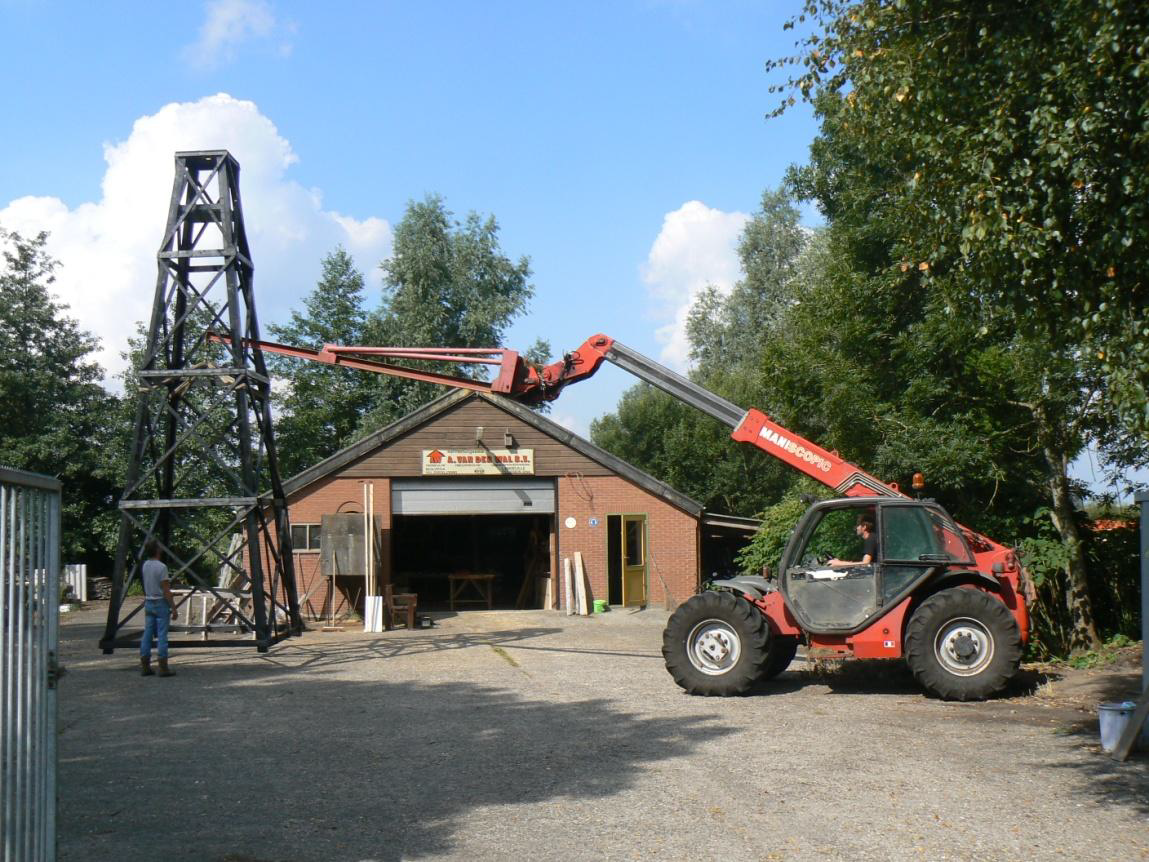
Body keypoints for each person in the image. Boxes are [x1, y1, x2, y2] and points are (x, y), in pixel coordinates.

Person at [139, 539, 178, 677]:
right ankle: (163, 667)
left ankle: (145, 665)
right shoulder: (161, 567)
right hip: (160, 603)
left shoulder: (145, 565)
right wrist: (174, 608)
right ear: (157, 550)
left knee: (147, 635)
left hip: (149, 602)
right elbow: (166, 590)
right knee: (162, 636)